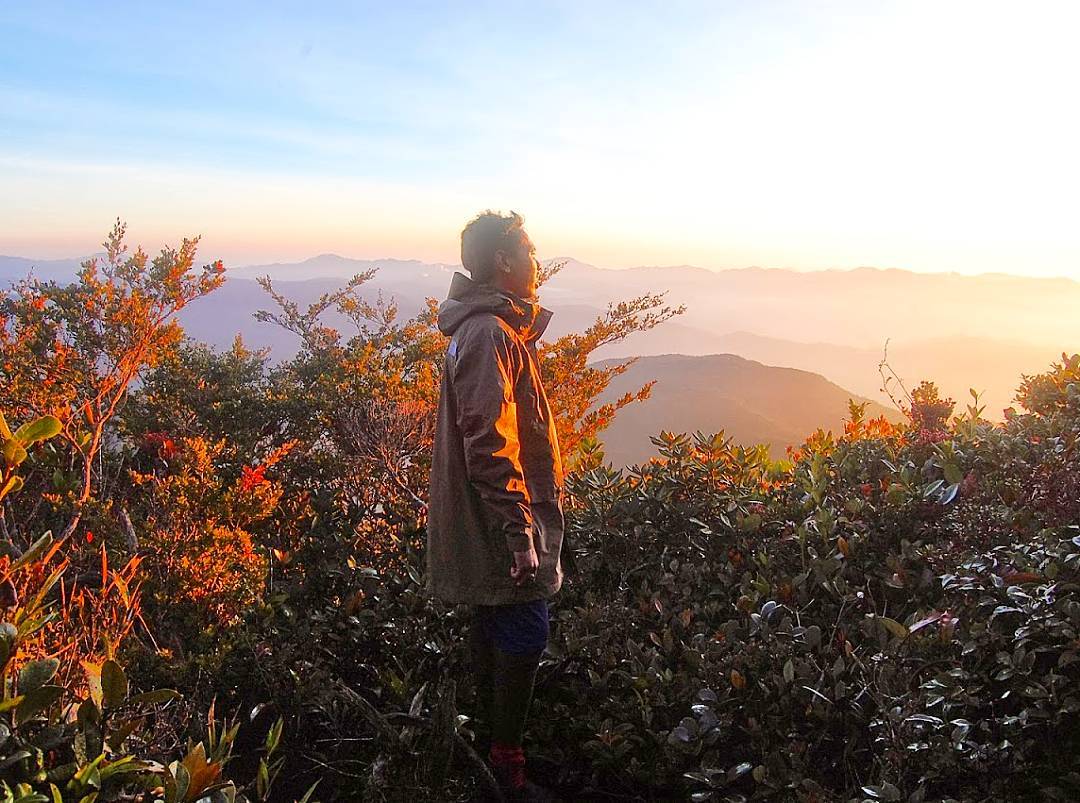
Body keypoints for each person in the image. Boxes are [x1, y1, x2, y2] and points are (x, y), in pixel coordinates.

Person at [427, 210, 564, 800]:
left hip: (488, 515)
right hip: (496, 519)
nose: (538, 265)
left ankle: (489, 751)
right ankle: (505, 767)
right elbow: (489, 439)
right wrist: (518, 530)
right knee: (525, 625)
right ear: (504, 261)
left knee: (496, 622)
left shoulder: (488, 329)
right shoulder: (487, 333)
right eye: (531, 253)